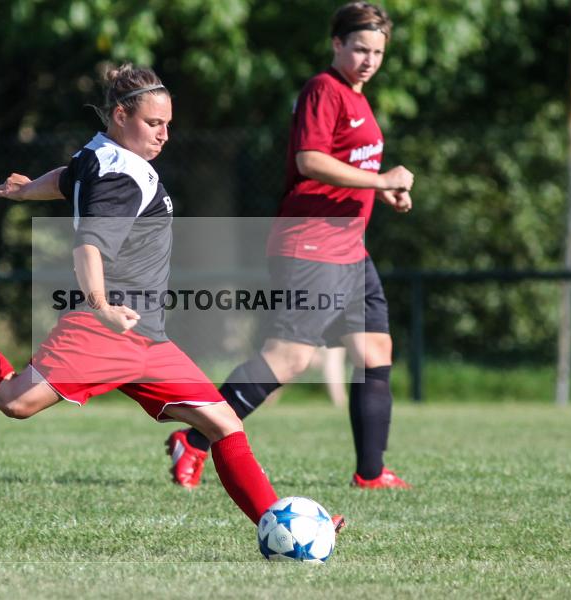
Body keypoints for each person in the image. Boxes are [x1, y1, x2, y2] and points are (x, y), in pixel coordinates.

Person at [0, 64, 343, 532]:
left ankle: (282, 524)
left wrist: (26, 192)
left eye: (168, 124)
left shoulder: (103, 155)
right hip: (109, 327)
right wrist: (102, 306)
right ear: (122, 115)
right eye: (154, 123)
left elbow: (67, 179)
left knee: (225, 424)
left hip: (145, 336)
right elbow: (90, 245)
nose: (164, 134)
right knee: (16, 400)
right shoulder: (121, 174)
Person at [166, 2, 413, 490]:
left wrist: (383, 189)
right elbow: (309, 159)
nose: (369, 59)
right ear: (337, 44)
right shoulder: (325, 89)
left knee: (374, 350)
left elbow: (350, 173)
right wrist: (379, 179)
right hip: (311, 245)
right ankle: (192, 441)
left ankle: (370, 472)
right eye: (359, 47)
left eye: (378, 51)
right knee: (290, 359)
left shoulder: (359, 100)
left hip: (350, 248)